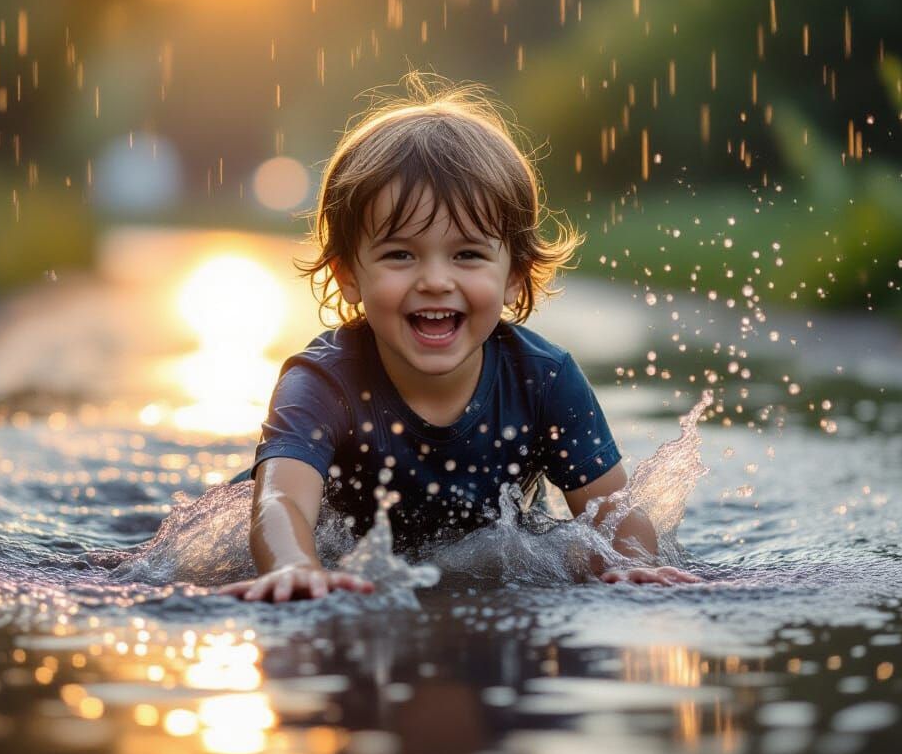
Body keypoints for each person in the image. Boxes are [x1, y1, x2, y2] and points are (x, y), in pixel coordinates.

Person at [220, 80, 699, 602]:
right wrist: (293, 565)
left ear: (514, 274)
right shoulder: (322, 382)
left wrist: (633, 566)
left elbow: (614, 514)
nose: (435, 280)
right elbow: (280, 503)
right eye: (400, 254)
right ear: (348, 276)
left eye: (467, 254)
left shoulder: (544, 380)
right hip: (344, 550)